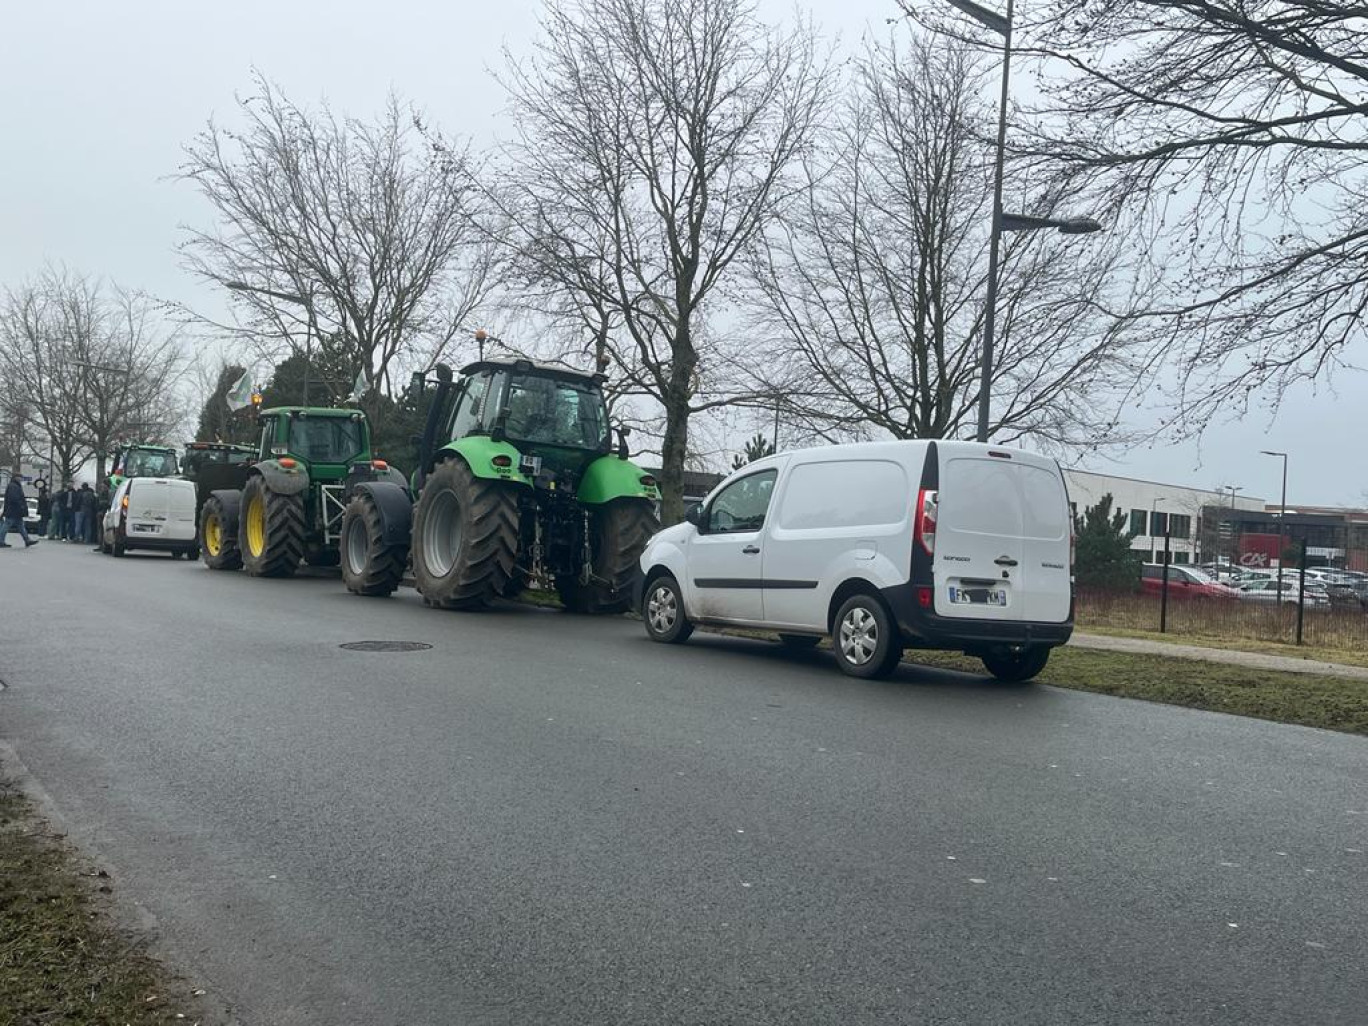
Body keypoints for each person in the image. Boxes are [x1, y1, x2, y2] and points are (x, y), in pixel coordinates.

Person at [0, 475, 39, 548]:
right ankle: (1, 541)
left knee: (20, 525)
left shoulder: (13, 485)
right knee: (7, 525)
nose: (21, 479)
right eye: (20, 477)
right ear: (16, 478)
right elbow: (14, 498)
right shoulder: (14, 486)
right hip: (14, 510)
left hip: (14, 510)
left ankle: (27, 540)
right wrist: (21, 505)